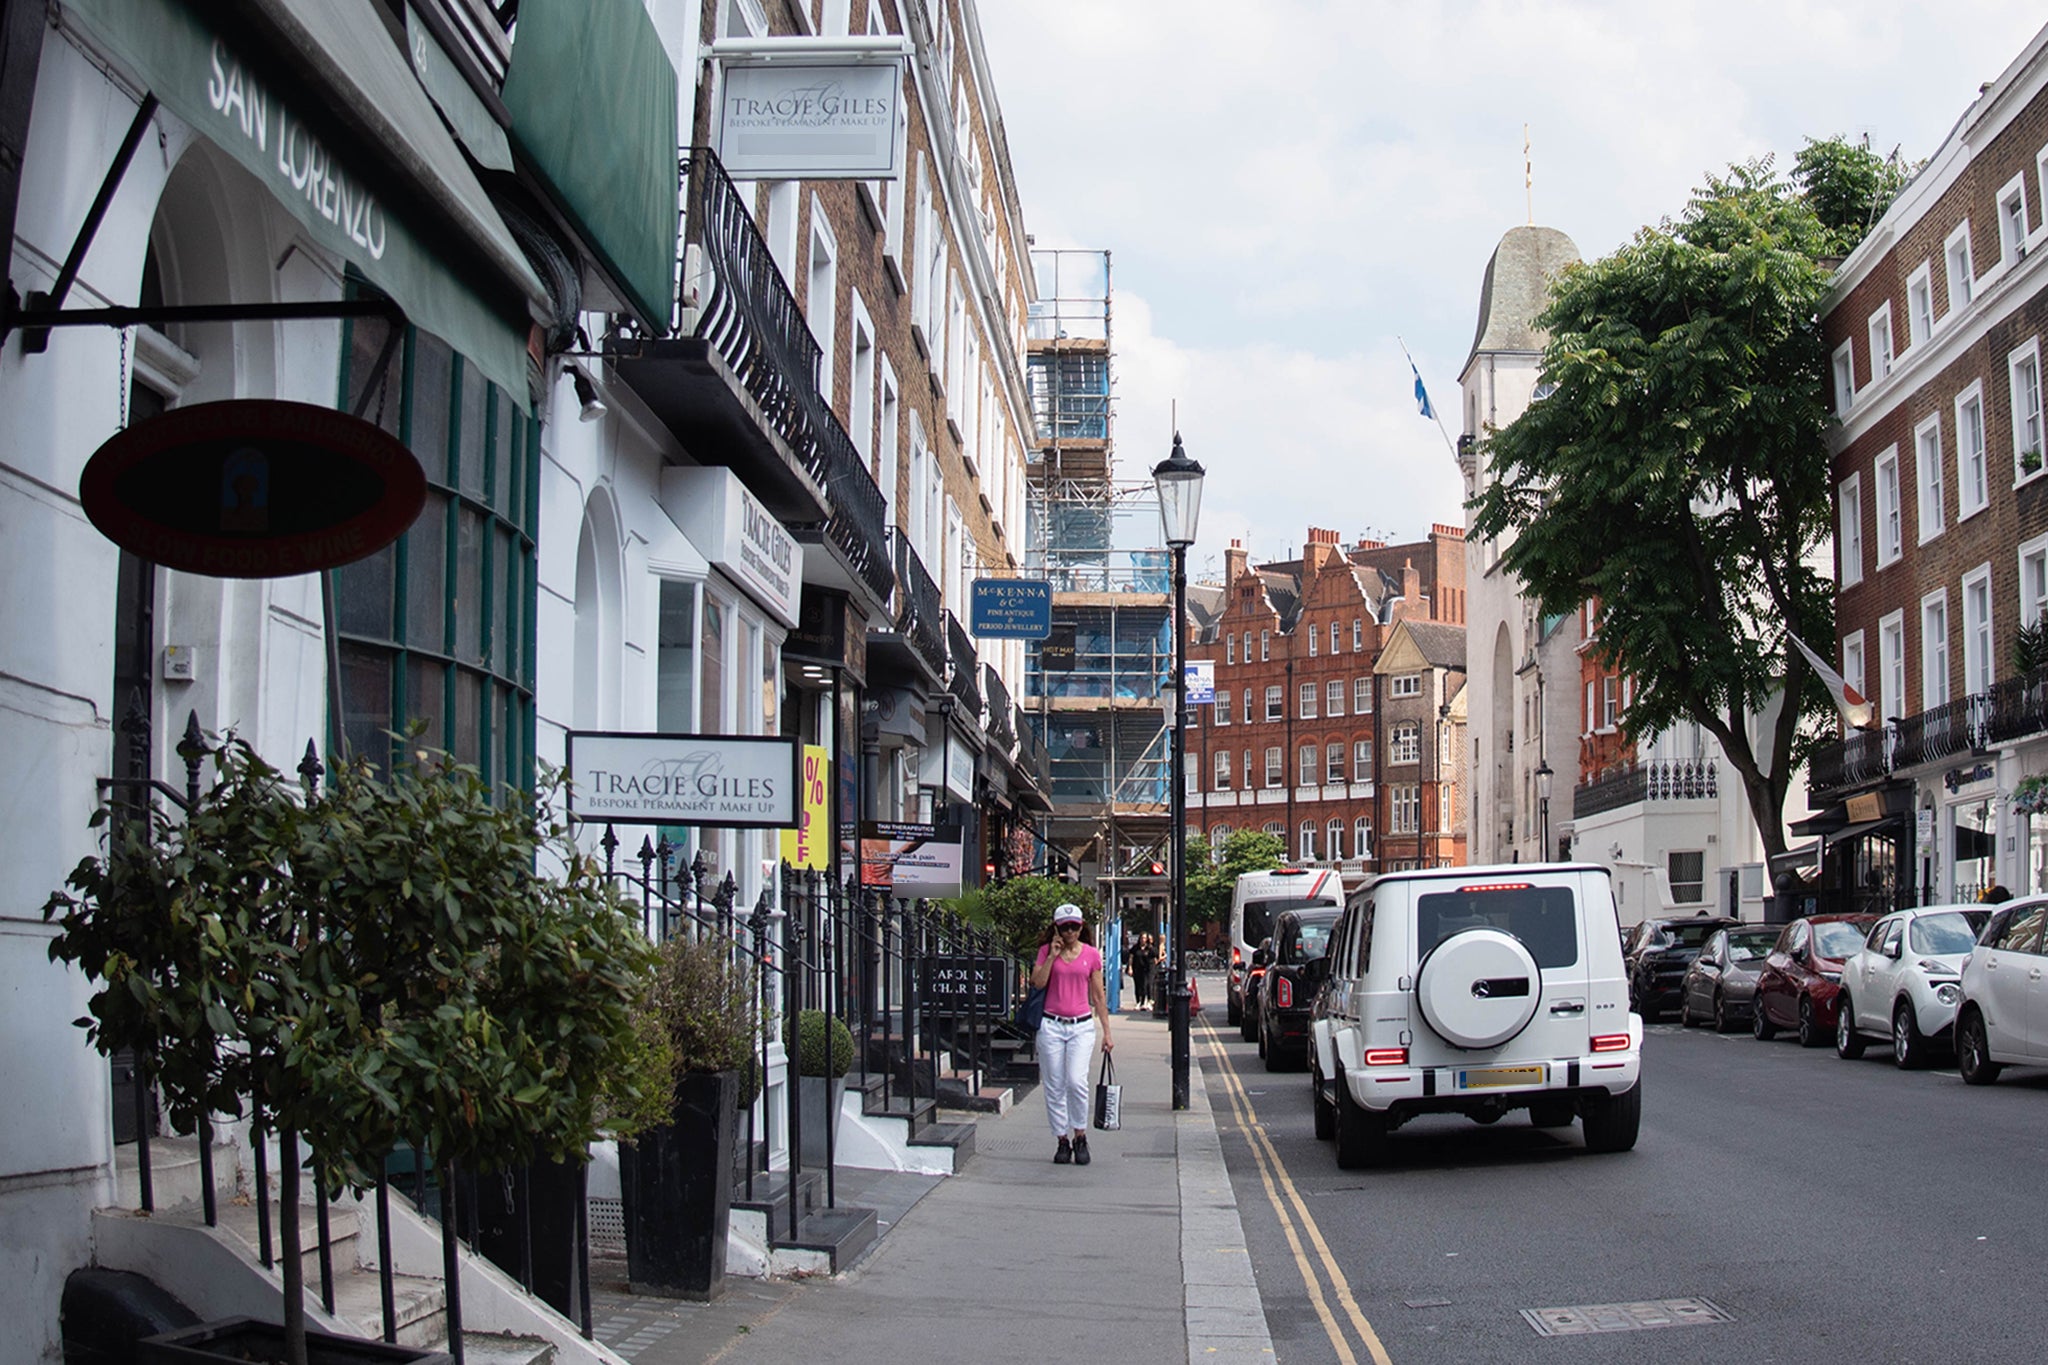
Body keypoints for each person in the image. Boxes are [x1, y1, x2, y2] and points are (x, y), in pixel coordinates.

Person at [1033, 902, 1112, 1165]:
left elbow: (1099, 995)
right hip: (1052, 1026)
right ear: (1056, 928)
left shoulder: (1091, 954)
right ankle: (1062, 1140)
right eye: (1065, 927)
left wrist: (1107, 1033)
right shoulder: (1046, 952)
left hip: (1081, 1026)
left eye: (1074, 927)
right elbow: (1038, 983)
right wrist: (1053, 956)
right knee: (1054, 1086)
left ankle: (1080, 1135)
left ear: (1081, 927)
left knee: (1076, 1082)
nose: (1070, 933)